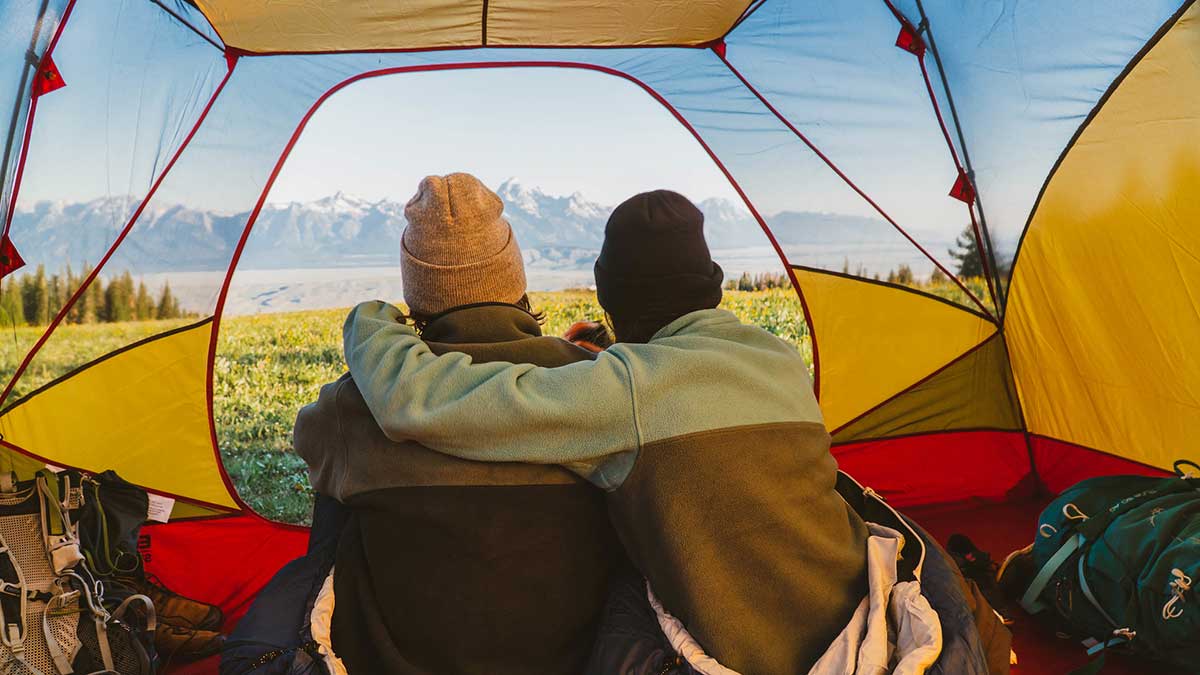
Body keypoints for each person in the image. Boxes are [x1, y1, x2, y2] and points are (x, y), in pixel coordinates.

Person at [340, 190, 876, 673]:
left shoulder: (625, 392)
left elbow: (414, 401)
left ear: (614, 301)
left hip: (785, 656)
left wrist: (370, 319)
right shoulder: (777, 356)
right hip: (863, 603)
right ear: (710, 285)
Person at [287, 173, 625, 674]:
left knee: (339, 490)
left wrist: (376, 330)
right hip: (574, 655)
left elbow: (306, 440)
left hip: (398, 660)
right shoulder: (597, 378)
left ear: (418, 293)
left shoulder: (353, 404)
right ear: (514, 277)